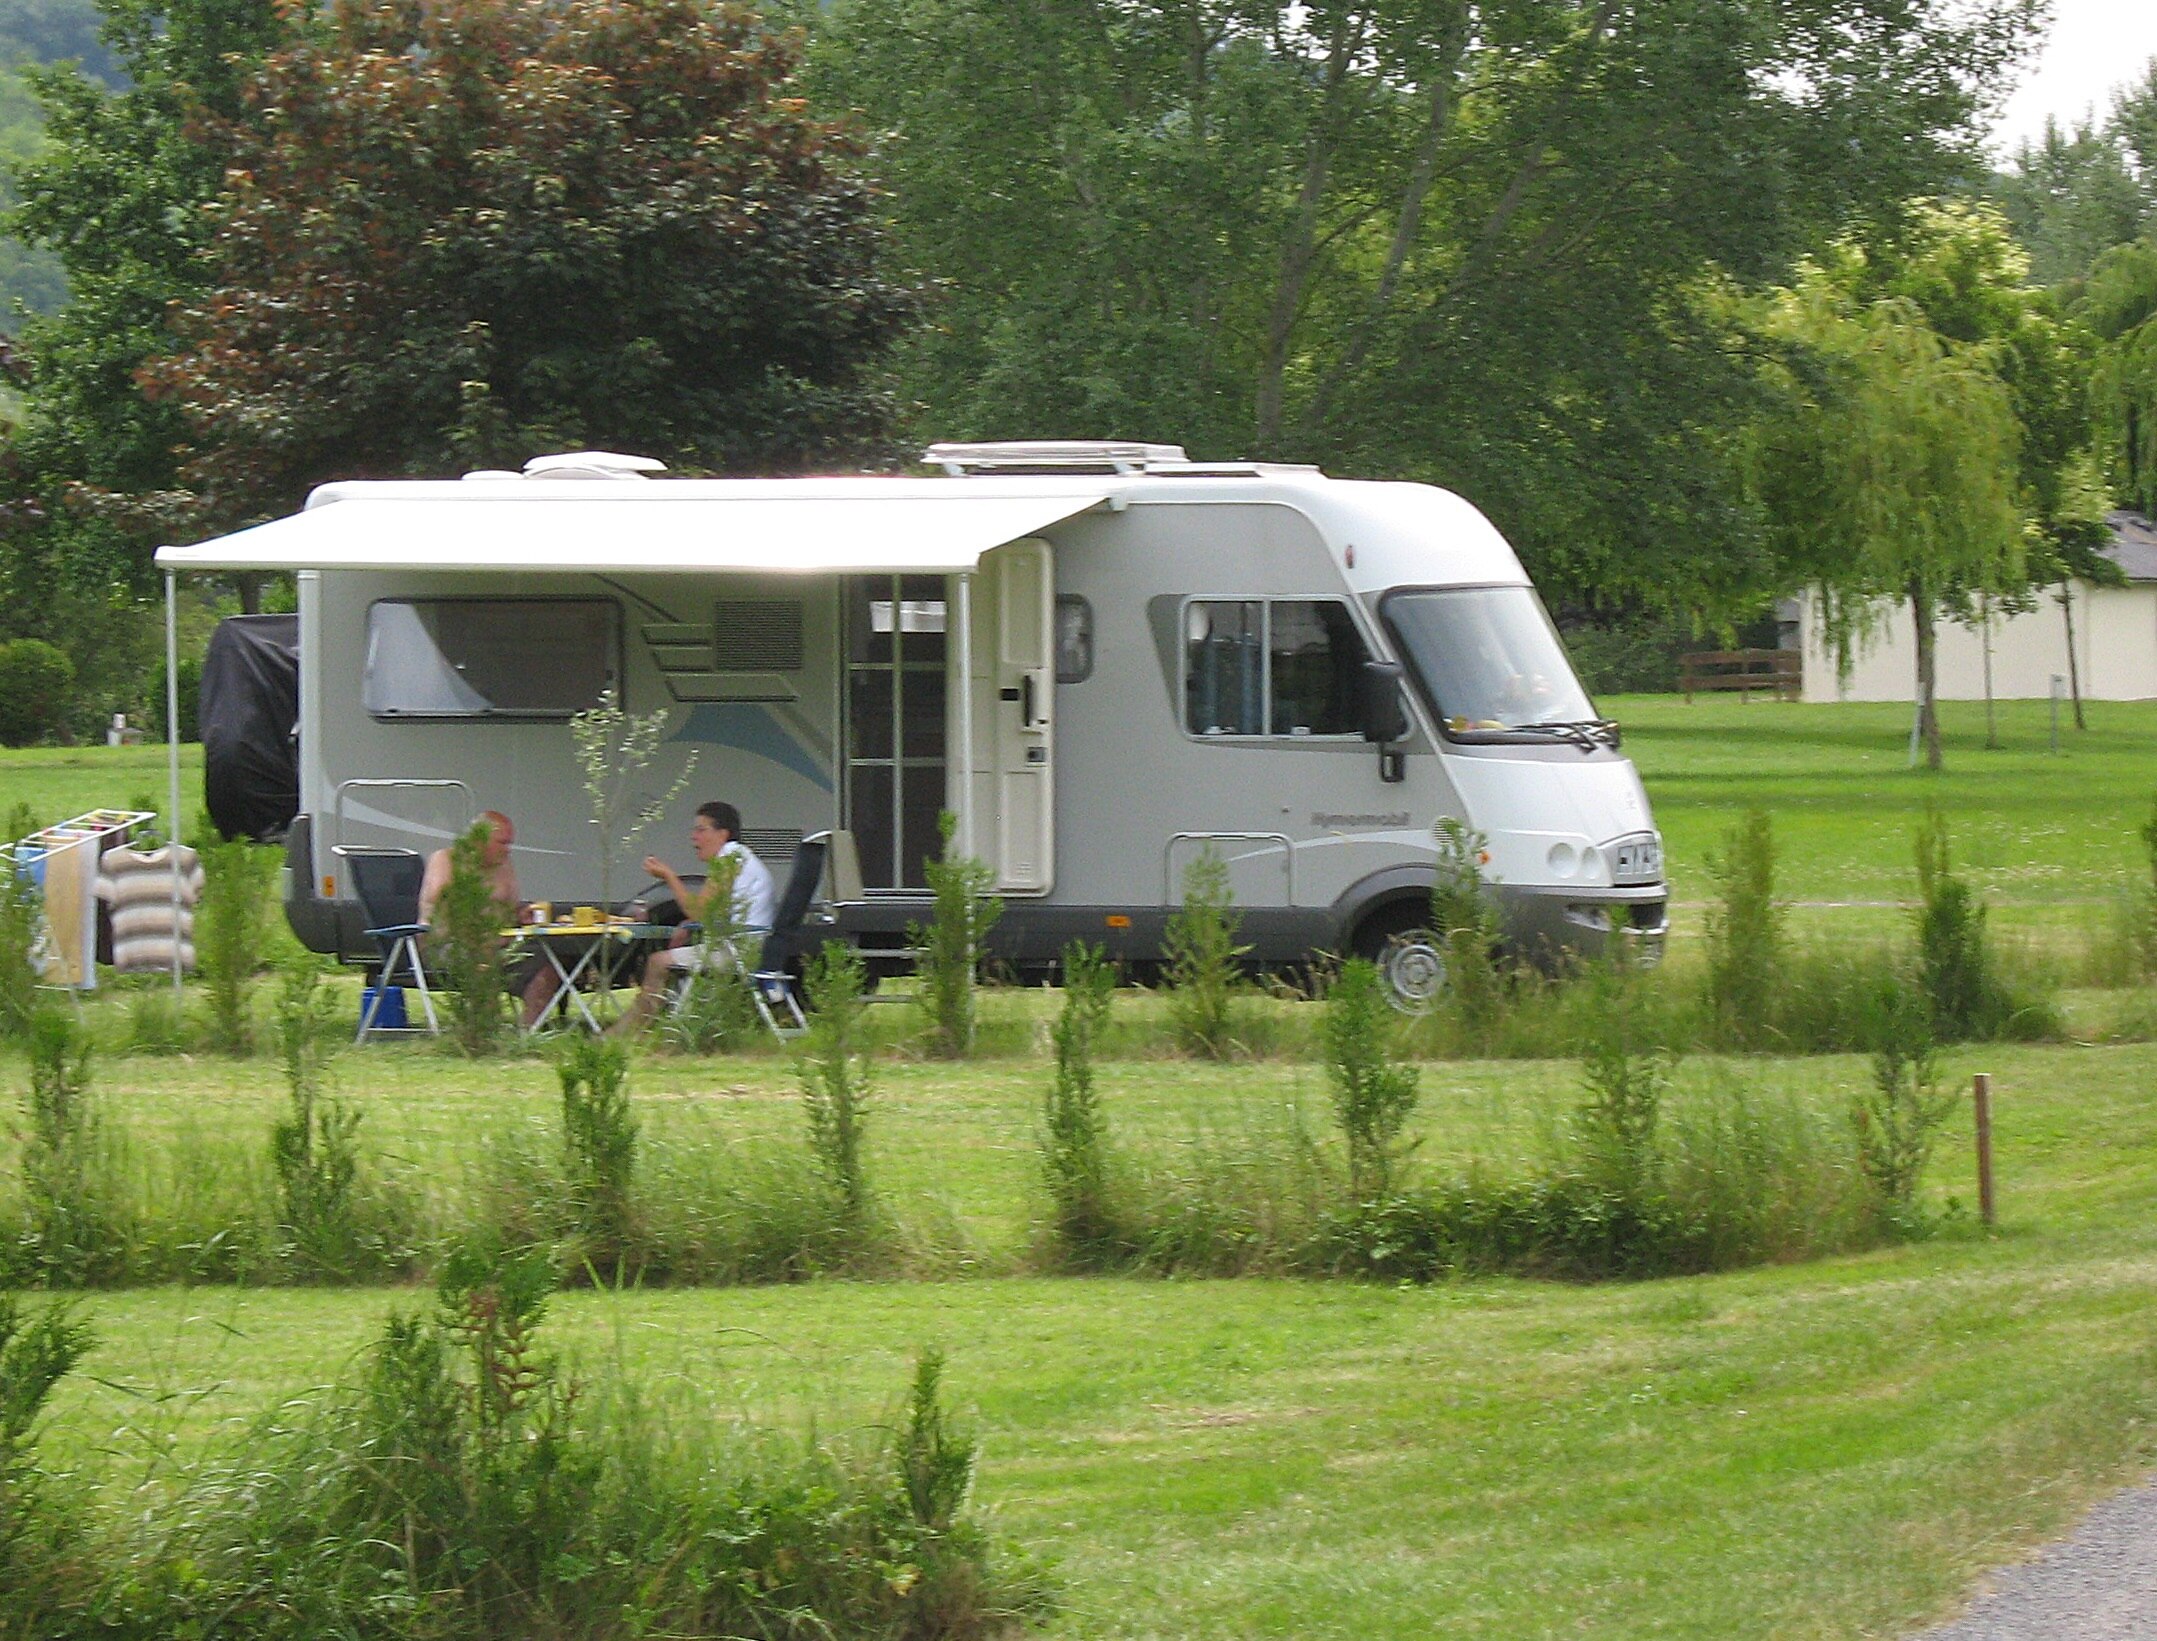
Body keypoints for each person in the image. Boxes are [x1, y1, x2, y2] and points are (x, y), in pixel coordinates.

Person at [613, 801, 776, 1034]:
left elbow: (698, 910)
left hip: (739, 952)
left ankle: (628, 1033)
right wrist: (691, 924)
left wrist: (669, 877)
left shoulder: (728, 859)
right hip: (752, 947)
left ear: (723, 834)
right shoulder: (740, 858)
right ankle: (648, 1029)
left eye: (701, 829)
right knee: (668, 960)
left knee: (658, 962)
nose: (693, 837)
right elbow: (715, 913)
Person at [417, 810, 560, 1028]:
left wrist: (520, 915)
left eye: (509, 843)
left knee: (546, 965)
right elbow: (443, 901)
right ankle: (487, 1030)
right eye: (502, 843)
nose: (507, 849)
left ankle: (529, 1031)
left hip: (498, 945)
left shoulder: (504, 865)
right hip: (446, 945)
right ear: (478, 839)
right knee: (483, 959)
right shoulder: (446, 860)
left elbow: (510, 909)